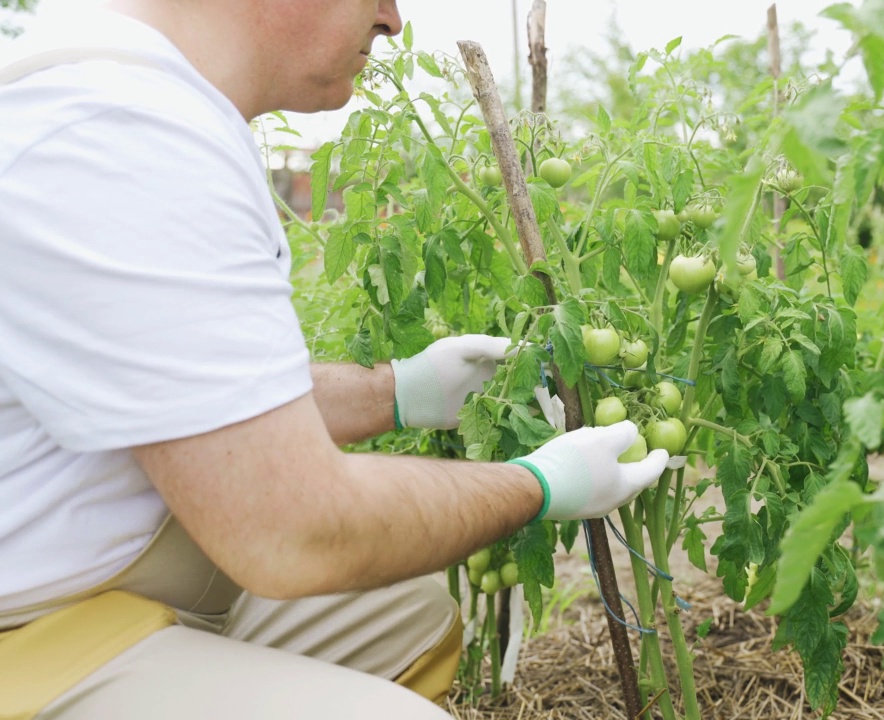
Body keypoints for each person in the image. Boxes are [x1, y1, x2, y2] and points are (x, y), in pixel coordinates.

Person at [0, 1, 670, 718]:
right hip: (31, 636)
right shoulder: (117, 135)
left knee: (406, 619)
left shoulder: (143, 101)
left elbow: (192, 393)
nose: (394, 21)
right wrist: (537, 485)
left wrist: (400, 391)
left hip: (98, 590)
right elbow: (295, 530)